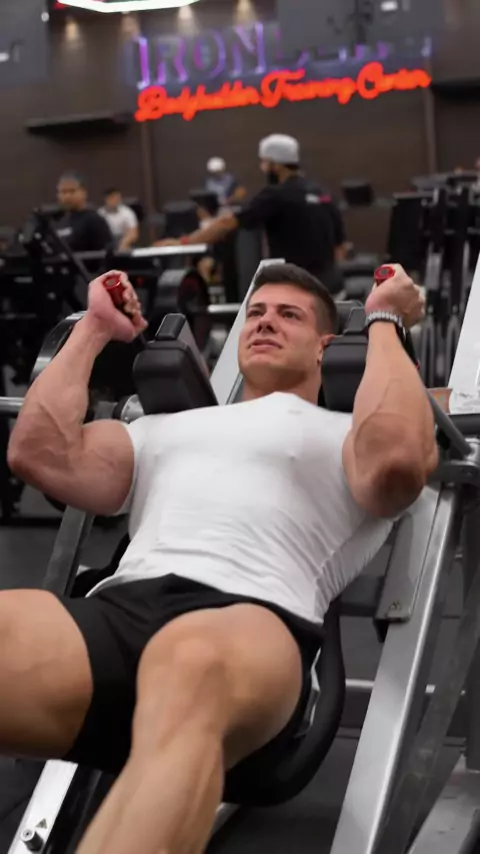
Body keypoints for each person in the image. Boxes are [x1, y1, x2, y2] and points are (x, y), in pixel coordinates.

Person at [5, 262, 437, 854]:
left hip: (253, 621)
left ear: (326, 347)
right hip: (120, 612)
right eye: (255, 313)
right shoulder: (164, 429)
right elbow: (38, 453)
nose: (264, 322)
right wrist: (94, 328)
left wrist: (384, 320)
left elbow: (399, 463)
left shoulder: (351, 433)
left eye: (289, 315)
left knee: (191, 662)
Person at [163, 136, 346, 294]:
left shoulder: (275, 194)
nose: (263, 168)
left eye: (264, 163)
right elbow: (340, 247)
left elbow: (227, 223)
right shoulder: (323, 193)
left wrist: (184, 242)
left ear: (275, 165)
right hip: (332, 288)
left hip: (298, 289)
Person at [56, 173, 113, 253]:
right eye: (63, 192)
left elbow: (106, 252)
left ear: (84, 193)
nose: (67, 196)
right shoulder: (60, 222)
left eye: (72, 191)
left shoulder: (95, 220)